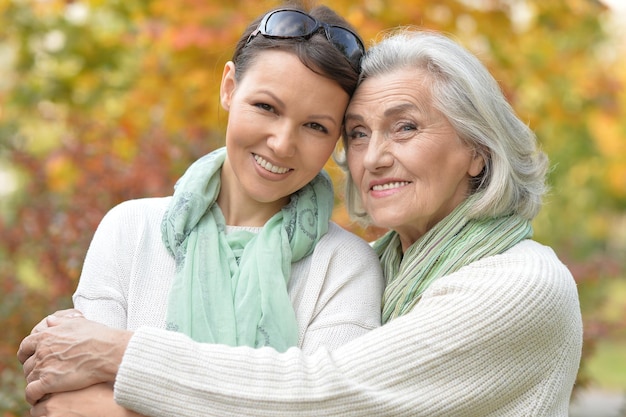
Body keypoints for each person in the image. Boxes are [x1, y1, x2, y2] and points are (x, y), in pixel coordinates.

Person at [19, 28, 583, 416]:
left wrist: (117, 353)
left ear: (478, 150)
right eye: (358, 133)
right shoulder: (394, 266)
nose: (374, 157)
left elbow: (324, 395)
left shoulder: (518, 284)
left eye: (405, 127)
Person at [17, 2, 385, 416]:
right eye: (266, 107)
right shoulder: (129, 228)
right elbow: (68, 399)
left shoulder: (346, 268)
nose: (282, 143)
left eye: (315, 126)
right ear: (229, 87)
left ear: (337, 137)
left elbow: (325, 409)